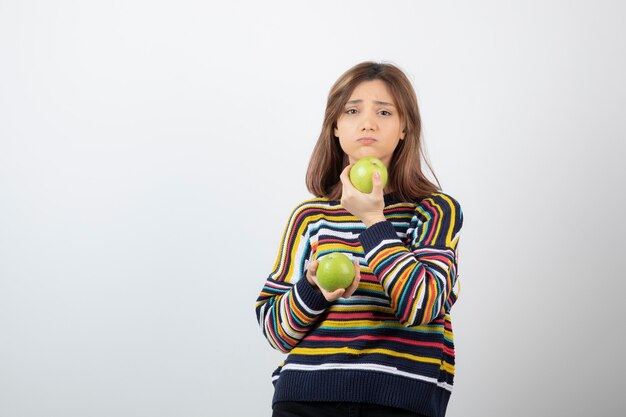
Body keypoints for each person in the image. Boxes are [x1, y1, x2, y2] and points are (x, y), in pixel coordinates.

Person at [255, 61, 463, 417]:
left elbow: (423, 304)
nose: (367, 122)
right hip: (304, 397)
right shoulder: (309, 217)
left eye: (384, 111)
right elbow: (276, 332)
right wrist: (314, 288)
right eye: (352, 110)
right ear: (336, 127)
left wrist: (373, 219)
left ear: (403, 129)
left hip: (398, 401)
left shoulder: (434, 210)